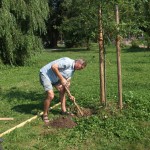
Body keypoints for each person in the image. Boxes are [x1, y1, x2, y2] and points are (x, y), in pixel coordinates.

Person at [39, 57, 87, 123]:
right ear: (78, 63)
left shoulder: (72, 70)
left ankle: (63, 111)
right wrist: (61, 79)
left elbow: (67, 84)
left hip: (55, 78)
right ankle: (45, 114)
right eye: (81, 67)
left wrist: (70, 95)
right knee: (51, 95)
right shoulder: (67, 62)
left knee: (62, 90)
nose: (80, 69)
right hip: (46, 75)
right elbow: (53, 66)